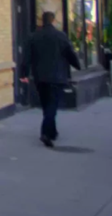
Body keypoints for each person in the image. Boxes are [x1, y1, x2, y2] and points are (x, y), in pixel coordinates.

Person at [22, 11, 82, 148]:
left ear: (42, 21)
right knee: (52, 105)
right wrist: (78, 66)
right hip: (57, 77)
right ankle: (45, 133)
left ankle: (52, 131)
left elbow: (26, 57)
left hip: (40, 77)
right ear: (53, 21)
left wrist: (24, 73)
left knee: (46, 104)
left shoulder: (34, 36)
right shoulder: (60, 36)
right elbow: (70, 53)